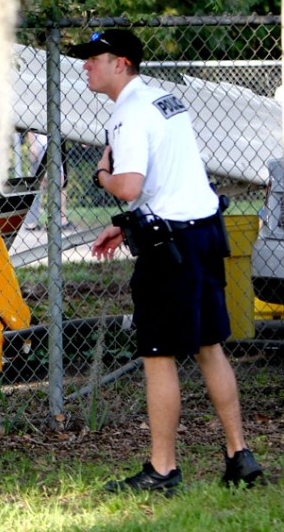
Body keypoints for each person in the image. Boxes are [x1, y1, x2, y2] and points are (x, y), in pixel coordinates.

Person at [71, 29, 263, 494]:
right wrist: (128, 222)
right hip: (203, 233)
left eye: (94, 58)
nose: (85, 66)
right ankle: (240, 456)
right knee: (208, 345)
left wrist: (102, 174)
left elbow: (130, 184)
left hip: (170, 249)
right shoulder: (165, 99)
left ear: (121, 63)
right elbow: (169, 176)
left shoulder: (128, 113)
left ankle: (162, 469)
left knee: (158, 355)